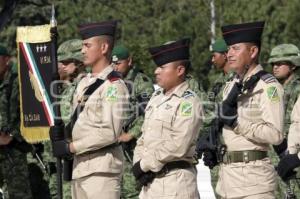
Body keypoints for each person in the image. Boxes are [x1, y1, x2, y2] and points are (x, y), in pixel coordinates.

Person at [201, 21, 285, 198]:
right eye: (229, 49)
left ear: (253, 52)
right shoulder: (231, 84)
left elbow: (275, 135)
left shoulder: (267, 87)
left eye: (235, 48)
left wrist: (237, 122)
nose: (229, 54)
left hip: (254, 183)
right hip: (228, 182)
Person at [50, 20, 129, 199]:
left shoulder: (113, 86)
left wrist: (70, 147)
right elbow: (84, 124)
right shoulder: (84, 83)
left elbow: (110, 132)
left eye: (87, 45)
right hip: (80, 169)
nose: (82, 50)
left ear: (103, 48)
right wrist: (62, 134)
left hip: (101, 173)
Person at [133, 38, 203, 198]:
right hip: (150, 184)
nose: (156, 71)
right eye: (157, 67)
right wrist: (138, 162)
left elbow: (179, 145)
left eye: (162, 67)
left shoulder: (188, 101)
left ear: (179, 70)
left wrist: (144, 164)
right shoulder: (156, 97)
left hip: (175, 183)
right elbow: (144, 136)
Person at [111, 44, 154, 199]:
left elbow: (148, 113)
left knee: (131, 192)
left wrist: (131, 134)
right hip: (113, 145)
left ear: (129, 61)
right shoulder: (111, 82)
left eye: (119, 63)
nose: (115, 66)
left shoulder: (141, 82)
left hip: (133, 147)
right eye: (113, 63)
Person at [0, 45, 33, 198]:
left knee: (18, 194)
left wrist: (11, 136)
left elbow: (31, 114)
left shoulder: (19, 82)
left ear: (6, 59)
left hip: (14, 151)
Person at [268, 43, 300, 198]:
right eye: (273, 64)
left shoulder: (297, 89)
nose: (275, 67)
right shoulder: (276, 89)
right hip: (276, 159)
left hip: (293, 161)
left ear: (293, 65)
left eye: (280, 63)